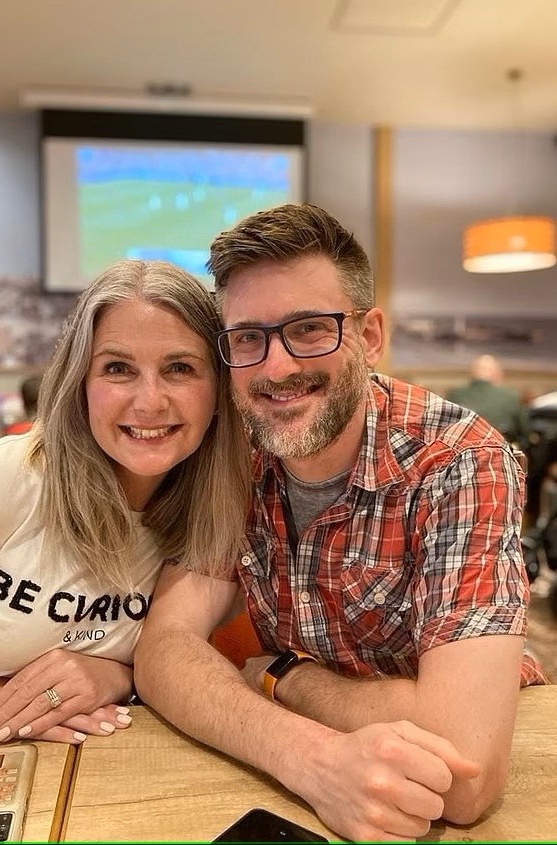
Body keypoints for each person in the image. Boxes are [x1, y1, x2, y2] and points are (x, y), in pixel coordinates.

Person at [132, 204, 548, 843]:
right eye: (249, 338)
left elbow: (463, 772)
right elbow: (164, 649)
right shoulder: (234, 454)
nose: (276, 368)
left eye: (308, 329)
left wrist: (284, 677)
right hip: (311, 796)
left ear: (370, 336)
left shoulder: (459, 461)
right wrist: (311, 759)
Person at [0, 258, 250, 745]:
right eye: (118, 368)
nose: (150, 401)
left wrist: (115, 676)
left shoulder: (217, 516)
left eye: (180, 368)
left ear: (220, 392)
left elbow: (172, 654)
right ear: (79, 383)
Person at [447, 354, 530, 449]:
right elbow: (525, 433)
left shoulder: (454, 394)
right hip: (501, 452)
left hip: (462, 452)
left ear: (473, 374)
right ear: (497, 374)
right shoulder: (511, 396)